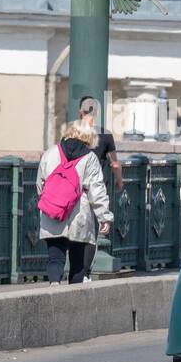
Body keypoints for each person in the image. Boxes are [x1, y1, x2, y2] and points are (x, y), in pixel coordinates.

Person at [35, 119, 113, 284]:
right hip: (79, 212)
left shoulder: (50, 153)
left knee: (55, 256)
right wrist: (104, 216)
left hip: (53, 211)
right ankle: (74, 293)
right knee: (78, 261)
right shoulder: (90, 158)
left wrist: (49, 201)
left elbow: (40, 184)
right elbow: (96, 189)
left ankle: (54, 284)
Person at [78, 96, 122, 268]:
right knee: (93, 232)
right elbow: (115, 164)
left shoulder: (71, 134)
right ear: (96, 113)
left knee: (75, 230)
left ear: (80, 112)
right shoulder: (105, 135)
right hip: (97, 188)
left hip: (75, 188)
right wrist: (119, 182)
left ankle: (70, 268)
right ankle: (86, 271)